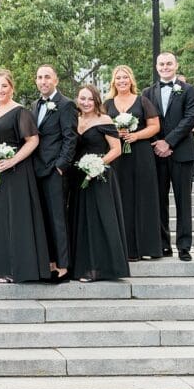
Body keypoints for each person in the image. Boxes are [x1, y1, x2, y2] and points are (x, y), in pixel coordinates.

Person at [0, 69, 50, 283]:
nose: (0, 90)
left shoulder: (20, 112)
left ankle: (12, 268)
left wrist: (12, 160)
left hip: (14, 172)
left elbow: (33, 141)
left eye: (4, 86)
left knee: (11, 218)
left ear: (12, 88)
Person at [69, 85, 130, 282]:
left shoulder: (104, 120)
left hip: (99, 176)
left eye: (89, 99)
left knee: (97, 220)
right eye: (82, 99)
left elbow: (116, 149)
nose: (85, 103)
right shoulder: (75, 120)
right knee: (81, 220)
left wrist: (97, 164)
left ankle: (98, 268)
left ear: (96, 100)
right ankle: (81, 265)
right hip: (78, 177)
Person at [143, 51, 194, 261]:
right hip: (156, 153)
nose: (165, 67)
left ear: (176, 65)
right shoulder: (148, 92)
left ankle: (184, 246)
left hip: (182, 153)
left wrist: (169, 142)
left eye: (169, 63)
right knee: (158, 201)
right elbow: (146, 121)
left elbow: (190, 118)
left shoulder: (188, 90)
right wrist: (158, 142)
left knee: (183, 201)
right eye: (161, 64)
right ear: (156, 67)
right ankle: (163, 244)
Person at [104, 65, 162, 261]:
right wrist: (115, 133)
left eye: (125, 77)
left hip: (140, 154)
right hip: (117, 156)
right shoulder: (107, 104)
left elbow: (155, 126)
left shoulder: (142, 101)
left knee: (144, 197)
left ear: (131, 80)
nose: (122, 81)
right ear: (114, 82)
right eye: (118, 78)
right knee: (122, 197)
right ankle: (126, 249)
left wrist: (135, 135)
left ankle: (147, 247)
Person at [32, 64, 78, 282]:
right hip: (36, 170)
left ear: (56, 80)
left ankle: (63, 266)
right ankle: (49, 262)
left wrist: (61, 166)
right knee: (43, 219)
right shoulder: (33, 106)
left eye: (47, 77)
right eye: (40, 77)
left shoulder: (66, 105)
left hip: (55, 171)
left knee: (58, 219)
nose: (43, 81)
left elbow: (71, 138)